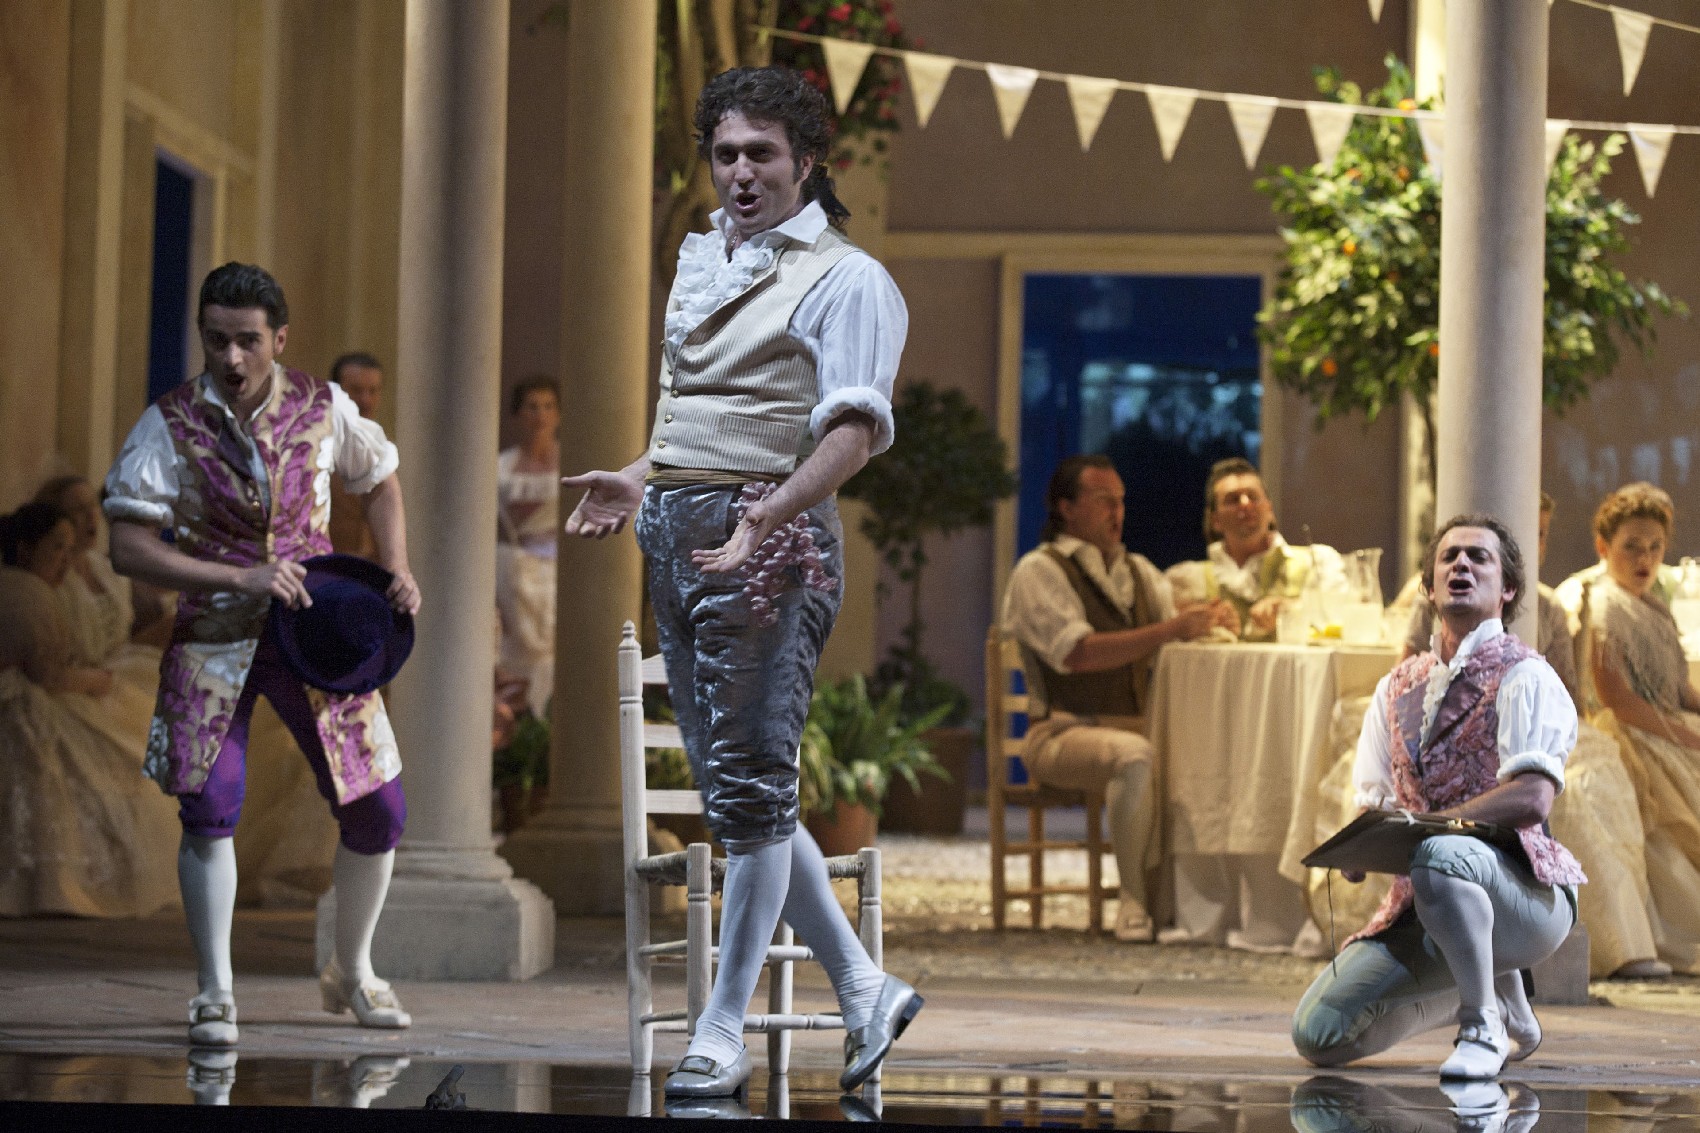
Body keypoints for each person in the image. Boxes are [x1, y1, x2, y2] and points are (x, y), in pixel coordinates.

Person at [562, 66, 914, 1100]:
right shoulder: (706, 256)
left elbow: (851, 431)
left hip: (770, 548)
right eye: (725, 154)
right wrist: (640, 476)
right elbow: (707, 412)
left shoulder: (846, 277)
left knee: (751, 790)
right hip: (677, 539)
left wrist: (767, 511)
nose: (741, 172)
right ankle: (865, 987)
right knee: (738, 791)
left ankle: (719, 1025)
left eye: (762, 152)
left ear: (806, 161)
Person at [103, 262, 421, 1048]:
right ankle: (215, 991)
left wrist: (397, 566)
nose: (232, 357)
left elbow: (381, 479)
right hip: (214, 635)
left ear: (280, 338)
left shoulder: (322, 404)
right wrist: (234, 576)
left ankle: (353, 968)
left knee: (378, 804)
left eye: (248, 340)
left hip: (313, 629)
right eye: (217, 340)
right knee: (210, 805)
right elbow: (127, 544)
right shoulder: (170, 422)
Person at [1292, 514, 1586, 1080]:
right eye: (1449, 557)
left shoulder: (1525, 675)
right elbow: (1376, 801)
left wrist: (1433, 825)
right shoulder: (1396, 687)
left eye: (1479, 557)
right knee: (1320, 1034)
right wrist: (1362, 847)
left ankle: (1482, 1026)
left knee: (1439, 852)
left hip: (1528, 898)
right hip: (1431, 897)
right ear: (1428, 587)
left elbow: (1532, 798)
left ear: (1507, 589)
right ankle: (1502, 999)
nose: (1462, 565)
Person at [1395, 492, 1663, 980]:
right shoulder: (1437, 603)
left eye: (1540, 535)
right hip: (1454, 723)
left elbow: (1567, 693)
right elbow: (1411, 677)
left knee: (1584, 787)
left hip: (1532, 730)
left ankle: (1612, 938)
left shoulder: (1548, 611)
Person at [1000, 454, 1232, 941]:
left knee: (1208, 754)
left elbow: (1175, 629)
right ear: (1066, 507)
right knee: (1134, 757)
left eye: (1121, 501)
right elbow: (1078, 654)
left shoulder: (1139, 572)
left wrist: (1209, 620)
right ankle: (1134, 900)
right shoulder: (1040, 570)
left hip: (1135, 729)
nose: (1117, 512)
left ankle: (1198, 904)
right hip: (1060, 732)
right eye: (1104, 500)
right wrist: (1171, 628)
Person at [0, 501, 181, 918]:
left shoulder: (27, 588)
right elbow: (48, 676)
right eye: (56, 549)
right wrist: (96, 681)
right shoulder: (30, 594)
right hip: (29, 705)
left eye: (68, 551)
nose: (65, 561)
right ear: (26, 549)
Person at [1574, 483, 1700, 975]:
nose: (1644, 559)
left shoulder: (1654, 605)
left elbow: (1680, 688)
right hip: (1635, 732)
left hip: (1669, 722)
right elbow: (1617, 699)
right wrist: (1683, 736)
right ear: (1604, 548)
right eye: (1631, 547)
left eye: (1654, 547)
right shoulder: (1605, 605)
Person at [1166, 457, 1346, 641]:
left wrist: (1291, 608)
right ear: (1215, 520)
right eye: (1232, 499)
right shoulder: (1189, 582)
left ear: (1269, 509)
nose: (1245, 503)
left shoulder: (1316, 563)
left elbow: (1344, 617)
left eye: (1253, 496)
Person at [496, 375, 561, 717]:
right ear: (519, 413)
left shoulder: (569, 460)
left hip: (560, 567)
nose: (541, 415)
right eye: (532, 407)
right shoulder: (503, 465)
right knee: (518, 642)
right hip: (518, 566)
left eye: (548, 406)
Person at [325, 352, 385, 558]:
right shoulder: (318, 449)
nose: (365, 400)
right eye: (356, 390)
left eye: (373, 391)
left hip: (373, 568)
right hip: (328, 565)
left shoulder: (385, 453)